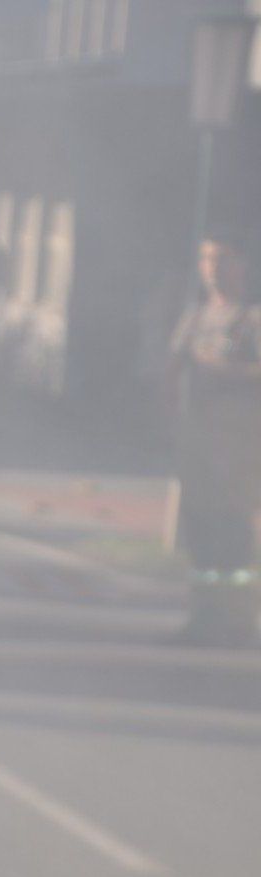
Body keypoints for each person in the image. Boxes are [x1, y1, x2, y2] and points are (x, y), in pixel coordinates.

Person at [167, 232, 261, 646]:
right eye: (206, 259)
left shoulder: (252, 320)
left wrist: (223, 372)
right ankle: (203, 615)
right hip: (198, 444)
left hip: (238, 449)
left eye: (222, 259)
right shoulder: (196, 316)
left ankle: (238, 620)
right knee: (201, 534)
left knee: (233, 535)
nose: (213, 268)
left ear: (242, 265)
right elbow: (173, 366)